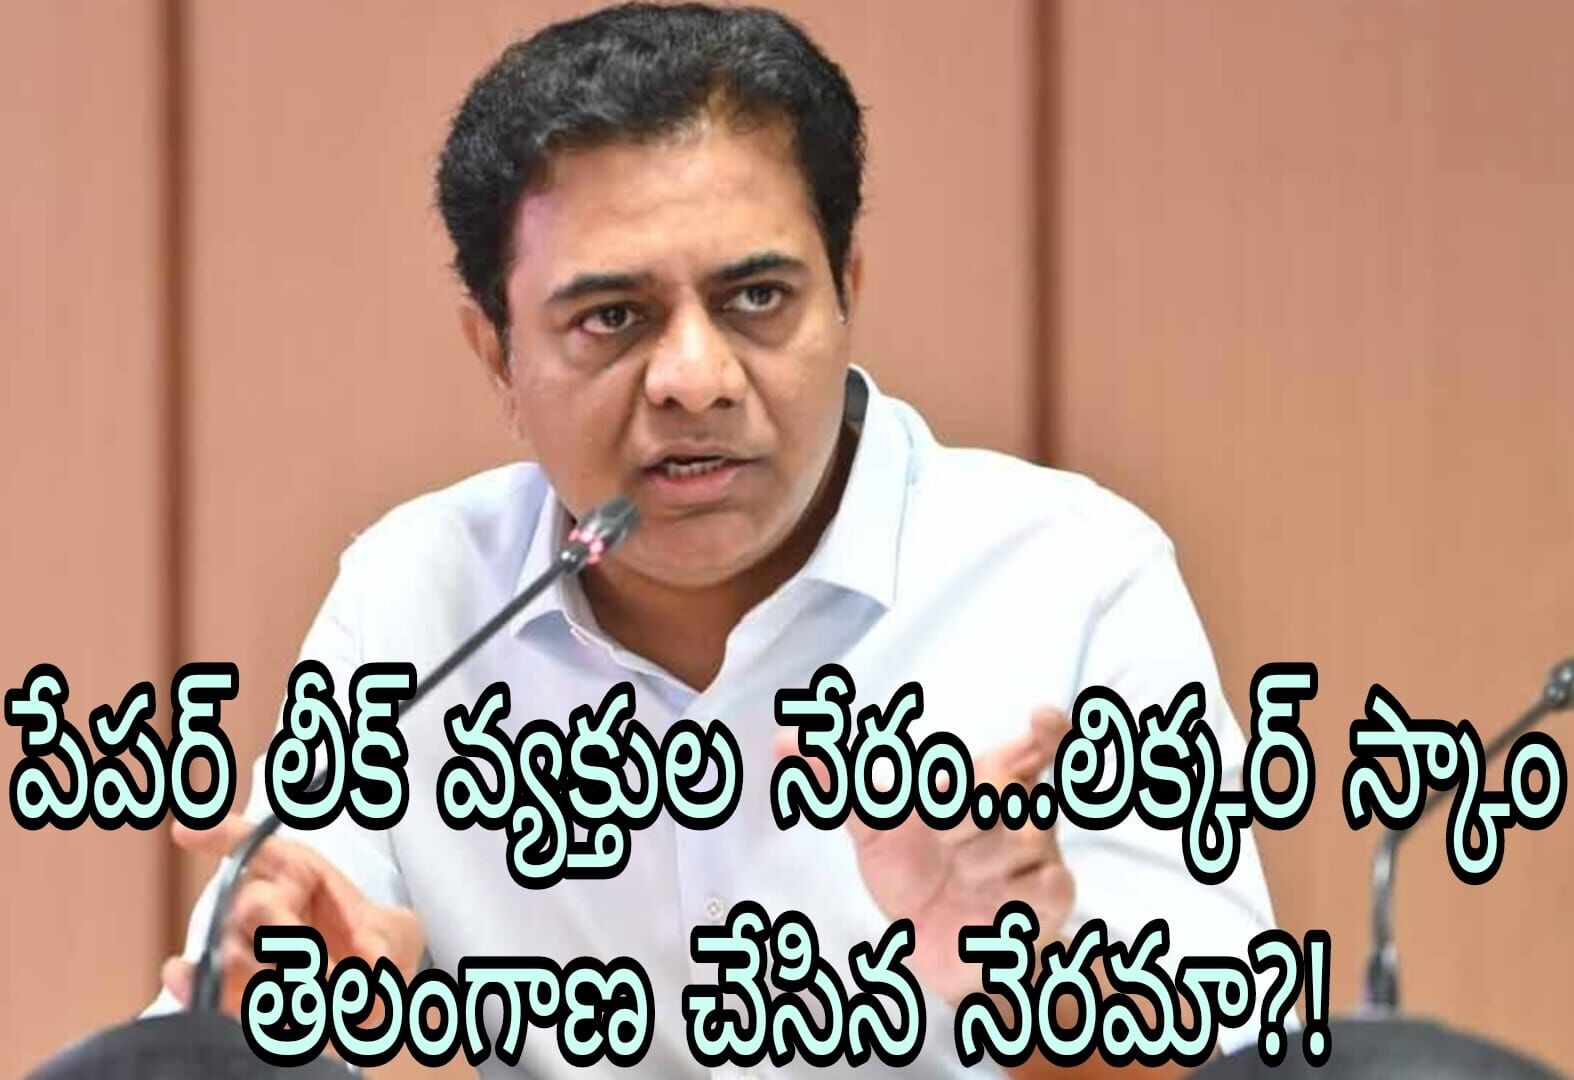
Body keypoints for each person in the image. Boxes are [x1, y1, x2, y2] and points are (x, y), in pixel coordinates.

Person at [149, 4, 1279, 1076]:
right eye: (612, 317)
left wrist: (1028, 979)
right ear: (498, 356)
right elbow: (252, 1025)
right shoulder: (416, 604)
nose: (694, 379)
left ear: (845, 292)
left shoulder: (1071, 579)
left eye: (756, 299)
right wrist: (374, 1036)